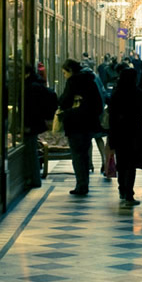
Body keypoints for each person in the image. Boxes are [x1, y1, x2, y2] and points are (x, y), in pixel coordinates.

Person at [57, 58, 103, 196]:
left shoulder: (73, 82)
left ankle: (81, 184)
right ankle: (84, 183)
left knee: (77, 155)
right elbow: (98, 104)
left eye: (64, 73)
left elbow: (64, 101)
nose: (64, 76)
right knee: (84, 153)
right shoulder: (91, 81)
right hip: (88, 124)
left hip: (75, 123)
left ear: (70, 71)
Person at [107, 67, 142, 207]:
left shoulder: (116, 93)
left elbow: (111, 115)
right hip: (134, 132)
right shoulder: (138, 93)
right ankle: (129, 192)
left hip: (118, 132)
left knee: (121, 162)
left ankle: (122, 189)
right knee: (131, 164)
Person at [23, 64, 58, 187]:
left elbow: (31, 108)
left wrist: (27, 124)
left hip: (31, 123)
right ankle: (34, 178)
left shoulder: (31, 87)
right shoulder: (37, 84)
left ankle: (34, 179)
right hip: (36, 122)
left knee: (31, 150)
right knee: (32, 150)